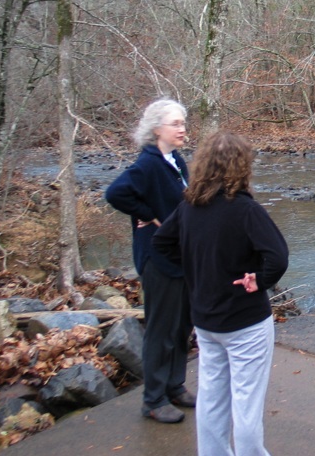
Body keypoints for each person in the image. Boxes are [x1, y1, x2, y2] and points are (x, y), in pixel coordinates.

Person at [153, 131, 289, 456]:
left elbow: (161, 244)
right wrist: (260, 279)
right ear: (241, 166)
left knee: (212, 397)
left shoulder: (188, 207)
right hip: (245, 323)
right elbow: (278, 256)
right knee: (246, 403)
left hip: (206, 321)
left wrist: (194, 273)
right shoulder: (245, 210)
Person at [105, 98, 195, 424]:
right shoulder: (147, 164)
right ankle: (153, 400)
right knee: (161, 330)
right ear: (157, 129)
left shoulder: (177, 162)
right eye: (175, 124)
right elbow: (115, 193)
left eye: (183, 123)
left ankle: (175, 386)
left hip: (182, 257)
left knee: (182, 325)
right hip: (159, 259)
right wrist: (148, 215)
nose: (182, 128)